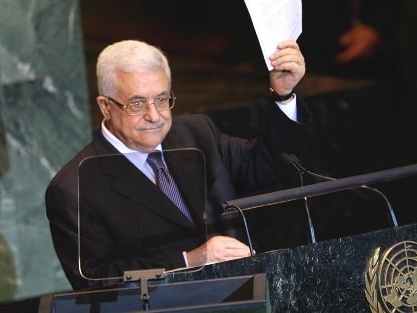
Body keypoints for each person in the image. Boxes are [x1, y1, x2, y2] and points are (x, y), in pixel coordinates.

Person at [45, 39, 310, 290]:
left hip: (240, 295)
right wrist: (188, 260)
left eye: (161, 99)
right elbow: (94, 281)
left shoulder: (198, 133)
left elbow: (265, 163)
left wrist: (283, 95)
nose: (154, 116)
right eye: (137, 103)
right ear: (105, 107)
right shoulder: (74, 188)